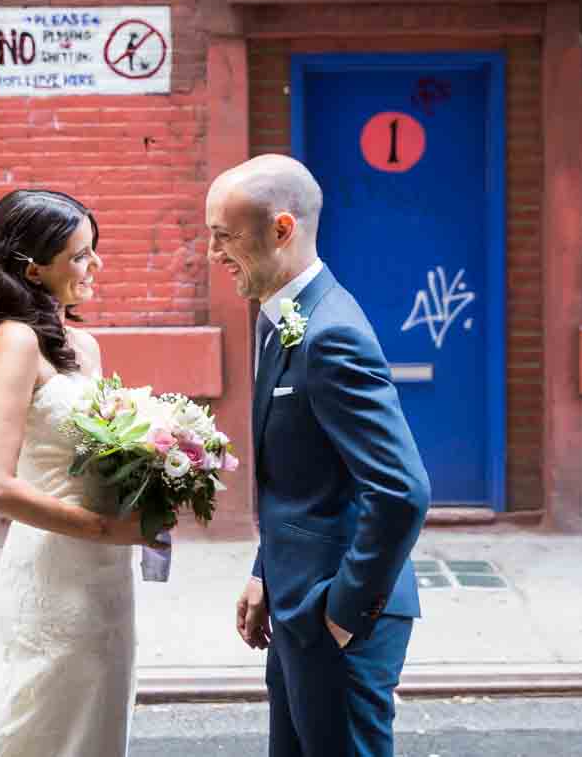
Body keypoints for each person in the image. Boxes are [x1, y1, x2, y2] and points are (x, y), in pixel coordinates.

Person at [0, 189, 161, 757]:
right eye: (79, 255)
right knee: (33, 718)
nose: (95, 266)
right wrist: (99, 527)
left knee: (96, 711)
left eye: (94, 251)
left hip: (106, 576)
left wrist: (160, 472)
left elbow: (98, 456)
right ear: (33, 269)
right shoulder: (15, 340)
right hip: (56, 572)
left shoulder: (86, 347)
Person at [205, 154, 431, 757]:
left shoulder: (332, 334)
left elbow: (401, 491)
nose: (212, 254)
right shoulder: (280, 318)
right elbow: (301, 478)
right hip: (296, 598)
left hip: (337, 617)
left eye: (224, 237)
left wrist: (343, 613)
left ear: (282, 230)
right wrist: (264, 572)